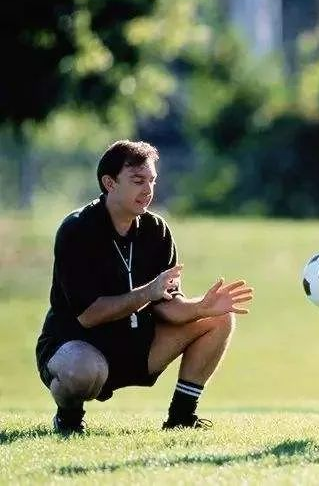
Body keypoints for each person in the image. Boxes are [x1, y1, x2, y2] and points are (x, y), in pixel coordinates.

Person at [36, 140, 253, 434]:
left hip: (136, 347)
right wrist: (146, 293)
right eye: (138, 180)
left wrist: (200, 307)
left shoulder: (157, 230)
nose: (148, 189)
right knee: (82, 370)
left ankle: (180, 418)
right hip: (79, 349)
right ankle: (69, 419)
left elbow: (167, 306)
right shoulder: (77, 230)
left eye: (151, 180)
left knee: (217, 318)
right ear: (109, 183)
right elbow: (89, 315)